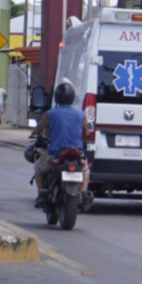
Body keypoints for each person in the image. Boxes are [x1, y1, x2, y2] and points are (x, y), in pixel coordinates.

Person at [30, 80, 89, 209]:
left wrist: (34, 134)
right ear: (73, 98)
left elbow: (37, 130)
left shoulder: (51, 114)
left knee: (38, 168)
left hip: (55, 153)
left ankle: (41, 194)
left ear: (57, 98)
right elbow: (86, 133)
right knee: (85, 170)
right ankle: (83, 193)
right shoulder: (81, 114)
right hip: (77, 152)